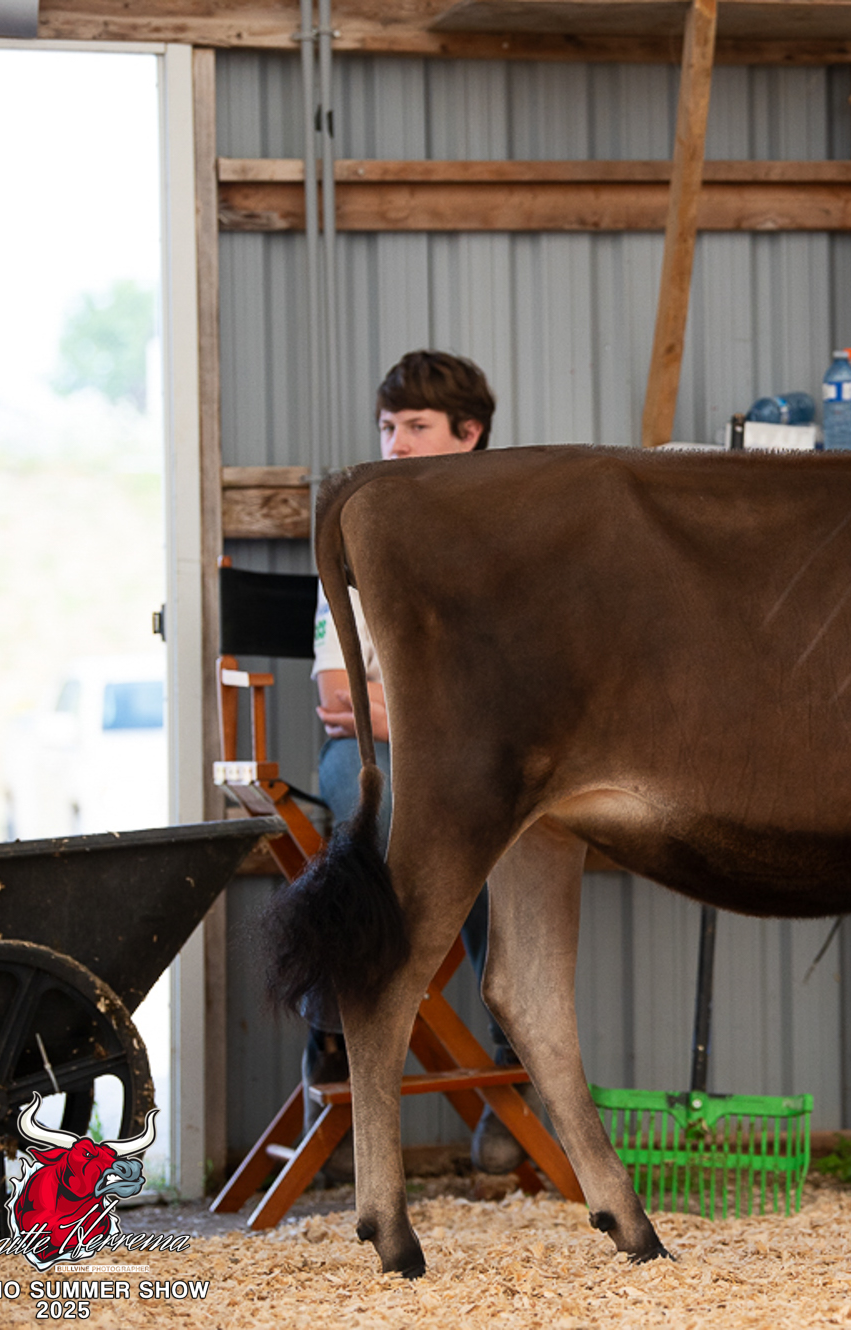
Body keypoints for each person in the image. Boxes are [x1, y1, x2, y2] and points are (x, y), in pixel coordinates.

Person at [305, 349, 532, 1176]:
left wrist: (401, 707)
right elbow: (338, 695)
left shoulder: (507, 543)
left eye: (415, 427)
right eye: (386, 427)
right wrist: (440, 718)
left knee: (508, 843)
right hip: (370, 760)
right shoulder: (354, 539)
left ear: (468, 434)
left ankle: (513, 1071)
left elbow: (513, 695)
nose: (394, 445)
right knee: (379, 812)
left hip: (473, 766)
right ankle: (335, 1035)